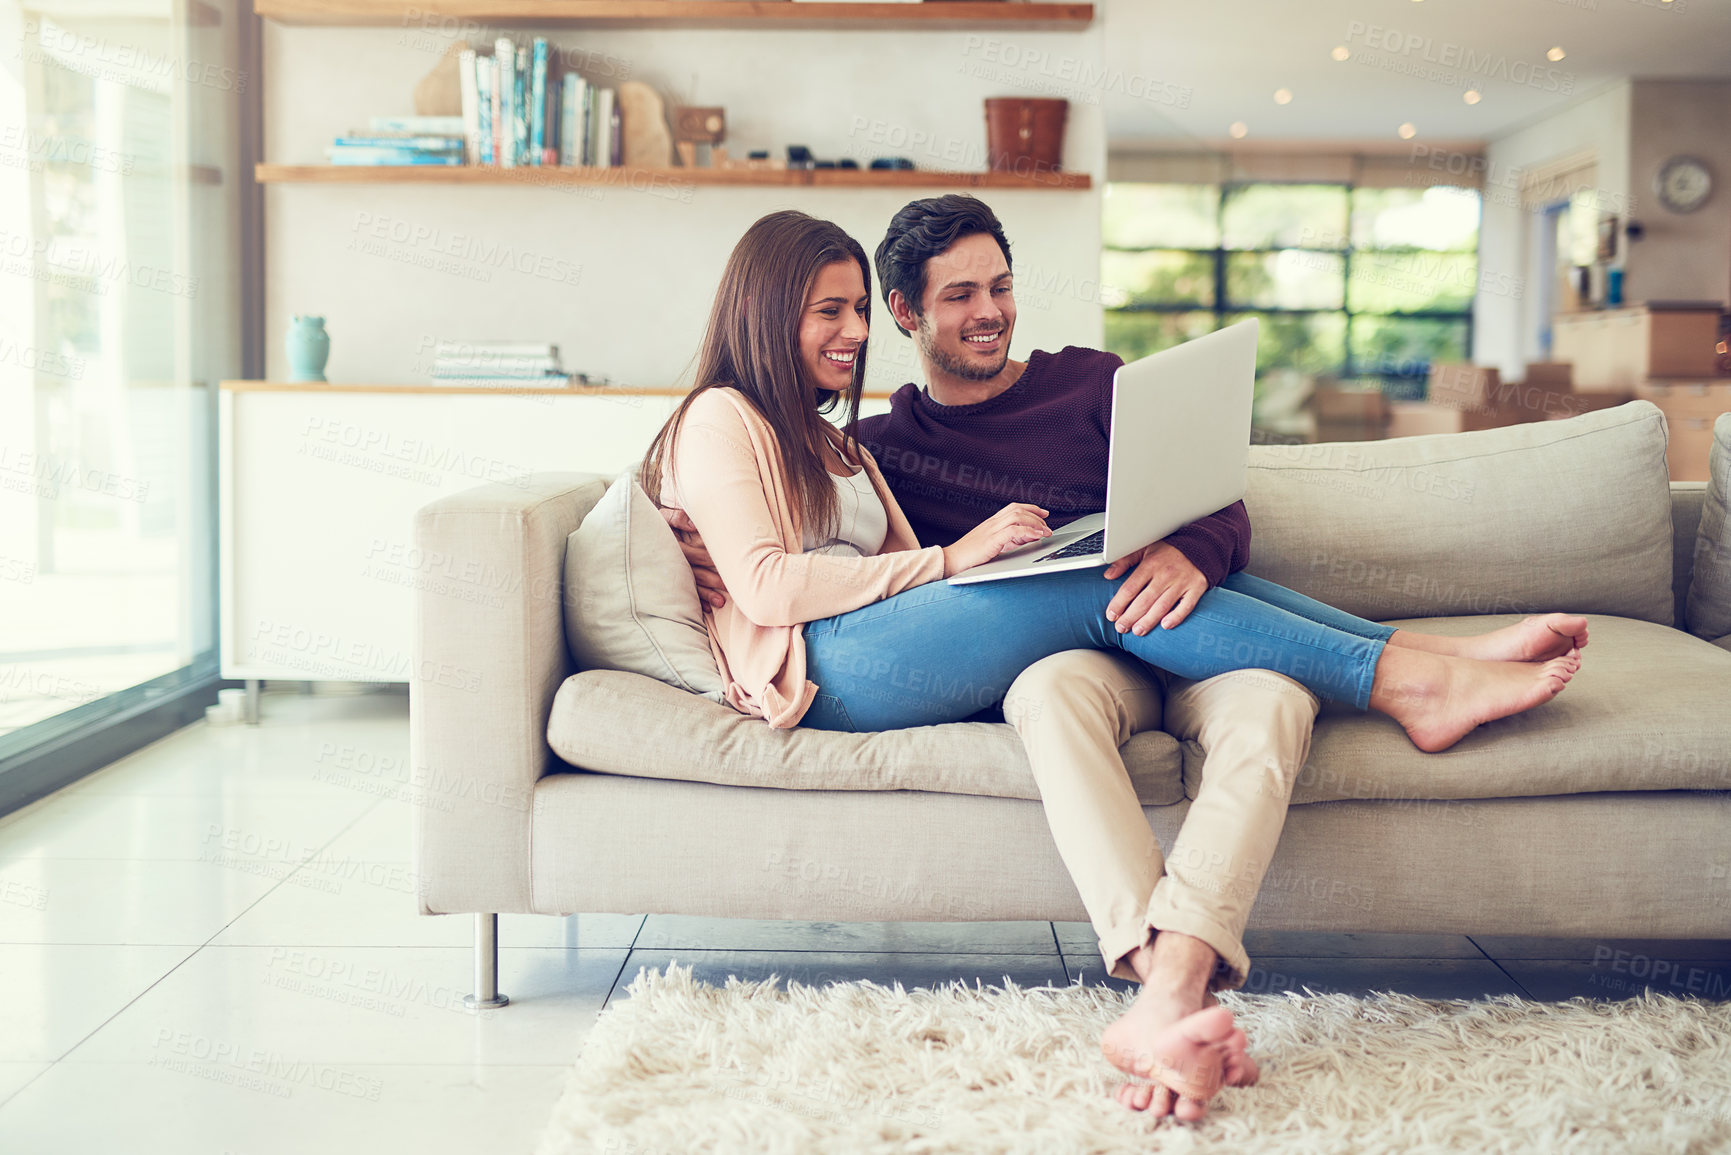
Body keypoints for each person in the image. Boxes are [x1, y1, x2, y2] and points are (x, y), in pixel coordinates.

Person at [646, 206, 1586, 1121]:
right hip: (826, 669)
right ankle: (1409, 679)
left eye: (1000, 287)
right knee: (1095, 576)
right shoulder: (726, 418)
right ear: (898, 313)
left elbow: (1201, 501)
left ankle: (1417, 671)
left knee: (1115, 566)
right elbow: (768, 589)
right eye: (830, 312)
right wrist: (953, 555)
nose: (852, 331)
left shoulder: (847, 439)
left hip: (919, 636)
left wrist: (1122, 550)